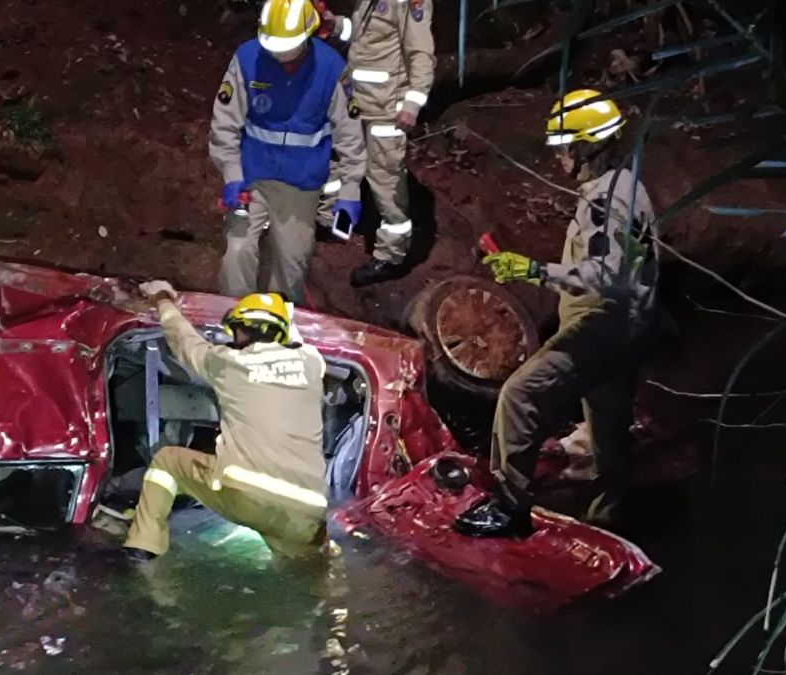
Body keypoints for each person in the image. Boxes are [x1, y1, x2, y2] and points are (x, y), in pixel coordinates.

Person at [453, 90, 659, 538]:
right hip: (633, 325)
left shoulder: (607, 202)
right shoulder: (631, 184)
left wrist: (534, 271)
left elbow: (604, 275)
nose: (561, 155)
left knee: (521, 396)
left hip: (604, 324)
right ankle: (611, 519)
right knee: (608, 429)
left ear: (589, 145)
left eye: (567, 145)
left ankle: (509, 508)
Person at [123, 281, 329, 561]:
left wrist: (163, 299)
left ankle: (143, 549)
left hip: (246, 494)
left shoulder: (227, 362)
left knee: (166, 462)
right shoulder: (312, 362)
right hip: (308, 510)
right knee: (311, 567)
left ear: (241, 329)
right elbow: (294, 341)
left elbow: (183, 340)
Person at [210, 0, 366, 307]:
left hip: (302, 183)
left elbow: (350, 133)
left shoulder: (331, 68)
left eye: (288, 48)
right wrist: (232, 176)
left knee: (291, 263)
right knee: (237, 251)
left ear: (308, 36)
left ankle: (276, 326)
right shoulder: (247, 59)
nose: (280, 56)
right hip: (253, 175)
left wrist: (350, 190)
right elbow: (224, 124)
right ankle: (232, 323)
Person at [321, 0, 435, 287]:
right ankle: (335, 221)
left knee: (386, 180)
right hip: (356, 102)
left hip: (387, 110)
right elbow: (363, 37)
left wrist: (413, 101)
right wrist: (337, 25)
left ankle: (391, 256)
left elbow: (421, 52)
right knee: (339, 160)